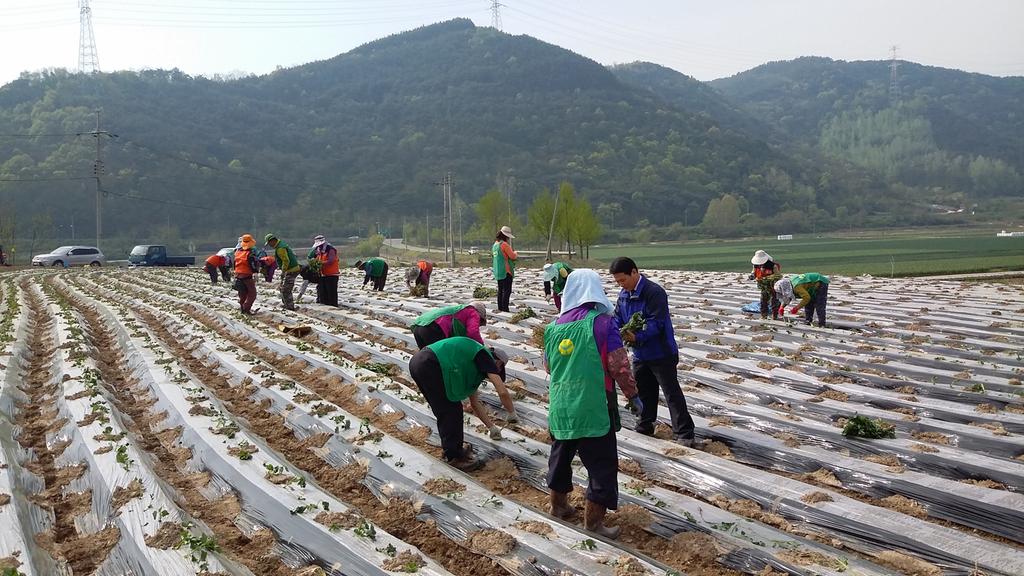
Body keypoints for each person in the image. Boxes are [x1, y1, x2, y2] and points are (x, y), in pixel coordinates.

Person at [544, 269, 641, 539]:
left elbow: (548, 366)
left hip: (561, 404)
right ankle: (593, 523)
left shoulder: (553, 327)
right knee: (601, 465)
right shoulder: (604, 324)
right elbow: (619, 365)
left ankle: (558, 507)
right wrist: (632, 395)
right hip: (593, 404)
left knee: (560, 458)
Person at [610, 257, 696, 446]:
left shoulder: (654, 292)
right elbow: (617, 317)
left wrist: (637, 336)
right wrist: (614, 331)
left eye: (623, 280)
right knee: (643, 390)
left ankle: (684, 433)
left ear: (634, 272)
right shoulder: (624, 295)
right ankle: (645, 425)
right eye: (617, 281)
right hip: (640, 353)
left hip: (661, 352)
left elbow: (657, 322)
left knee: (671, 393)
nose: (621, 284)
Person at [408, 337, 518, 471]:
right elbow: (502, 391)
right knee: (451, 411)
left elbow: (474, 403)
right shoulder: (484, 356)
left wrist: (491, 427)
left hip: (419, 362)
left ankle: (453, 450)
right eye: (499, 369)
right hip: (431, 363)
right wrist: (512, 412)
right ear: (498, 362)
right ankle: (454, 456)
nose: (496, 372)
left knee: (445, 410)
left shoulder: (473, 362)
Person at [409, 302, 487, 349]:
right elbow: (473, 333)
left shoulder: (459, 310)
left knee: (427, 359)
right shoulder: (473, 312)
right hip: (433, 328)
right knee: (439, 359)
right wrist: (482, 347)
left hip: (418, 326)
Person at [265, 234, 301, 311]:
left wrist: (283, 271)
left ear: (272, 241)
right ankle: (287, 305)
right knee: (284, 288)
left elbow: (286, 260)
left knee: (286, 290)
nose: (270, 245)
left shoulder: (280, 248)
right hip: (292, 269)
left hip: (291, 270)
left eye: (269, 243)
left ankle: (290, 307)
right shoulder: (281, 245)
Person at [750, 250, 782, 320]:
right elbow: (754, 272)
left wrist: (766, 278)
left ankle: (775, 315)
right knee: (763, 301)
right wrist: (752, 275)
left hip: (772, 286)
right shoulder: (755, 265)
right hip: (763, 286)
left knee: (774, 301)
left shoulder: (773, 266)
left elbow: (778, 275)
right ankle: (764, 315)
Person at [491, 226, 518, 312]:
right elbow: (512, 256)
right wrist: (516, 253)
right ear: (505, 236)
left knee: (500, 291)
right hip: (506, 271)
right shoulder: (504, 245)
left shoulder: (495, 245)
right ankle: (505, 309)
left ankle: (500, 308)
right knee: (507, 291)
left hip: (498, 271)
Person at [233, 234, 259, 314]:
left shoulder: (237, 252)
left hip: (238, 275)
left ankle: (242, 308)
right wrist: (255, 272)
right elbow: (252, 264)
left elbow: (234, 263)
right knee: (252, 294)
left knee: (242, 293)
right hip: (247, 275)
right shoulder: (250, 253)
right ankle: (246, 308)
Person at [311, 235, 339, 306]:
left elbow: (331, 260)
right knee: (323, 294)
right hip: (323, 274)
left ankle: (333, 307)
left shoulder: (330, 249)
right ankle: (325, 306)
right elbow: (317, 259)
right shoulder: (319, 250)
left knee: (331, 294)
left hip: (332, 275)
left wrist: (320, 263)